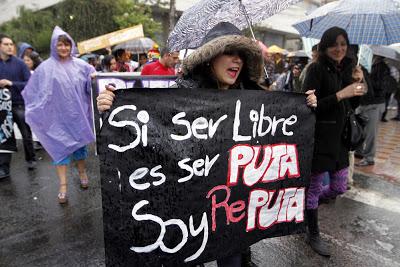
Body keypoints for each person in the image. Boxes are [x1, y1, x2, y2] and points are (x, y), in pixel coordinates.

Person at [97, 22, 317, 267]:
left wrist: (303, 107)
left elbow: (278, 131)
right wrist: (112, 105)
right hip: (195, 203)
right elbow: (154, 130)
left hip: (234, 205)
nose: (237, 61)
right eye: (229, 53)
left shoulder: (252, 95)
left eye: (241, 55)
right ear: (210, 57)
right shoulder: (183, 94)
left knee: (233, 258)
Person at [302, 27, 366, 257]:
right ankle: (313, 232)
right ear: (325, 46)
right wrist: (342, 94)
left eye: (343, 44)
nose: (339, 49)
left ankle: (305, 209)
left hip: (340, 140)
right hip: (320, 139)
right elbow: (309, 106)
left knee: (339, 186)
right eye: (334, 44)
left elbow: (354, 106)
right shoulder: (315, 70)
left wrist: (357, 86)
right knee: (314, 188)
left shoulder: (348, 69)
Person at [22, 26, 95, 204]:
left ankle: (82, 172)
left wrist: (93, 77)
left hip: (76, 117)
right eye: (60, 45)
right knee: (59, 152)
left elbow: (91, 84)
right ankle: (63, 186)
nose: (64, 48)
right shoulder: (45, 68)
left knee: (79, 149)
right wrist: (35, 110)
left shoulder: (81, 66)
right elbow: (35, 91)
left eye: (67, 45)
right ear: (55, 45)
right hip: (56, 119)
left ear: (71, 46)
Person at [0, 33, 36, 178]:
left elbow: (30, 84)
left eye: (11, 44)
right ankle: (4, 168)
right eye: (6, 44)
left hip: (19, 105)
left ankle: (31, 159)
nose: (10, 47)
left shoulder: (20, 64)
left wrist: (11, 83)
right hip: (2, 107)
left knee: (26, 133)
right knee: (4, 137)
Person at [354, 55, 386, 167]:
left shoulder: (382, 67)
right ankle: (359, 152)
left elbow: (380, 86)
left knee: (370, 133)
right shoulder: (366, 64)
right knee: (360, 130)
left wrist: (366, 76)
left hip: (374, 104)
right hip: (363, 102)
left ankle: (369, 157)